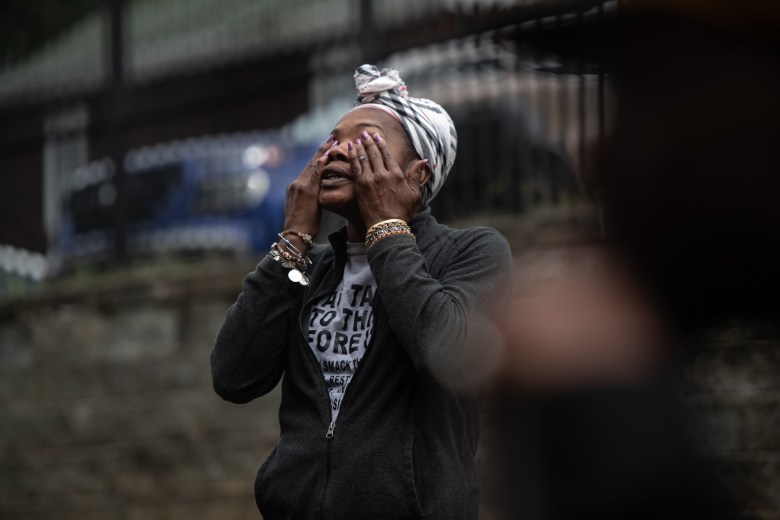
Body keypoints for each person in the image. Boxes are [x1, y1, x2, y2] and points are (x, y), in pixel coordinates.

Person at [210, 64, 512, 520]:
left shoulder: (471, 253)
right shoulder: (308, 272)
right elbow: (233, 377)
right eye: (332, 139)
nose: (334, 151)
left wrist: (387, 227)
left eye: (363, 138)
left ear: (417, 174)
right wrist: (292, 241)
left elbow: (445, 351)